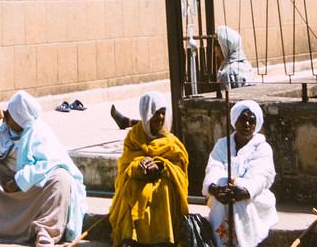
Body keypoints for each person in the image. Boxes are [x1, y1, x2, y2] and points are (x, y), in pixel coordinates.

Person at [0, 89, 86, 247]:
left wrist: (19, 181)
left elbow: (50, 163)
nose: (5, 115)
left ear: (20, 118)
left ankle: (45, 231)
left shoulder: (40, 133)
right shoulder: (5, 131)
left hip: (32, 189)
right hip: (8, 186)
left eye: (10, 113)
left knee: (61, 179)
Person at [109, 91, 188, 244]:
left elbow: (180, 168)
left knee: (163, 188)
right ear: (146, 115)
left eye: (162, 113)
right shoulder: (133, 137)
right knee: (131, 187)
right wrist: (138, 167)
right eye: (156, 113)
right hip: (138, 178)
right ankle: (131, 239)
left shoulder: (171, 141)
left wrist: (161, 166)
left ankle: (165, 240)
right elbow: (124, 165)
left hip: (163, 178)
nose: (160, 118)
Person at [203, 100, 277, 247]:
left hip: (254, 199)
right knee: (223, 186)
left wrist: (245, 190)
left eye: (252, 121)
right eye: (243, 119)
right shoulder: (223, 144)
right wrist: (215, 189)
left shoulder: (262, 148)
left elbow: (261, 175)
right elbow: (214, 168)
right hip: (224, 197)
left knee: (239, 199)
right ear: (235, 121)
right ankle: (221, 242)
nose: (247, 124)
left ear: (257, 124)